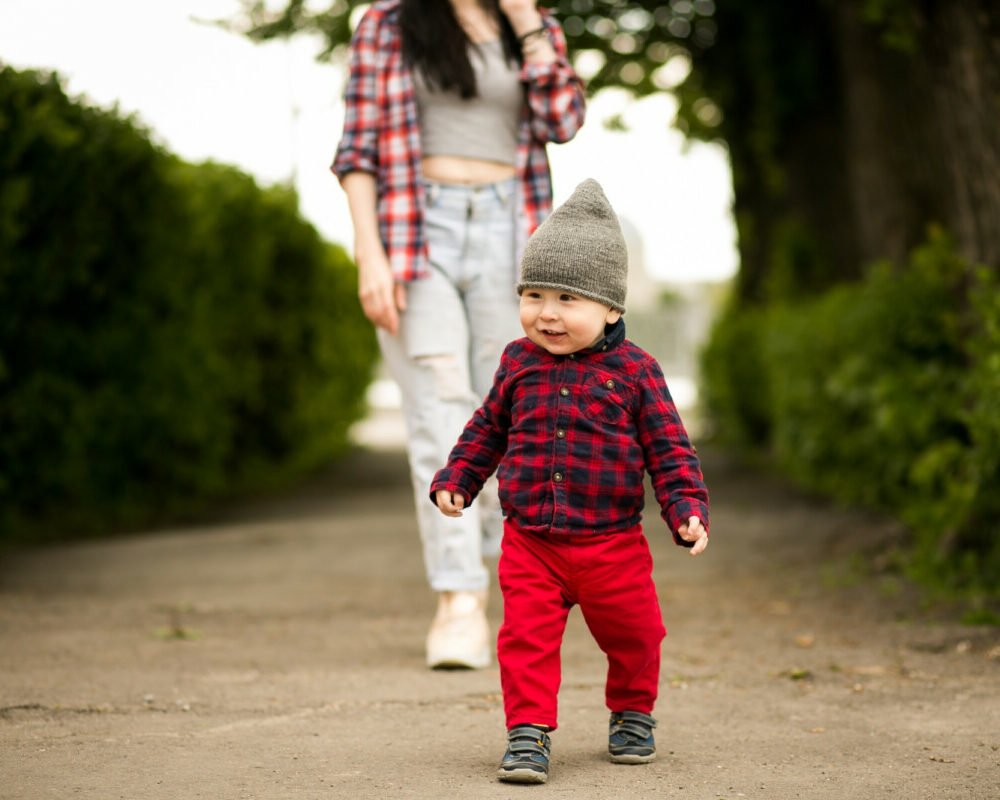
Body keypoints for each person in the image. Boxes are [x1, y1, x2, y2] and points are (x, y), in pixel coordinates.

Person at [331, 0, 585, 670]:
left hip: (515, 232)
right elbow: (357, 149)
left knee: (514, 414)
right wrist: (370, 253)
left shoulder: (530, 24)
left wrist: (526, 20)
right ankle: (459, 601)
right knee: (440, 415)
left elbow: (564, 121)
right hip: (419, 233)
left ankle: (516, 583)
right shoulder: (387, 24)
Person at [430, 179, 710, 784]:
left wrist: (685, 506)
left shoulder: (636, 372)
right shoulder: (517, 362)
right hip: (530, 542)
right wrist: (459, 476)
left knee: (638, 633)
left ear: (611, 309)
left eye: (566, 298)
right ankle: (528, 734)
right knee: (524, 639)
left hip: (612, 545)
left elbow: (668, 448)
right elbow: (487, 428)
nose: (546, 313)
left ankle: (633, 713)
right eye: (532, 294)